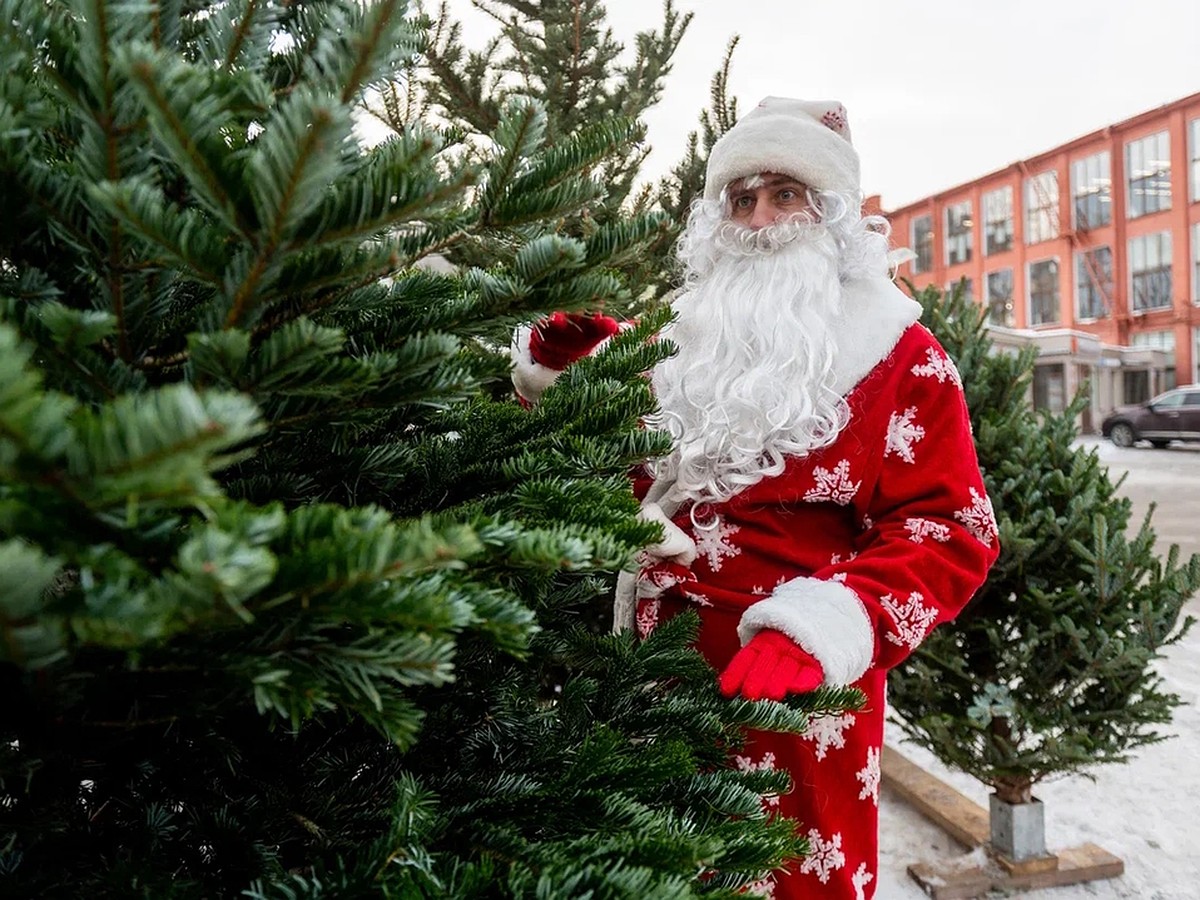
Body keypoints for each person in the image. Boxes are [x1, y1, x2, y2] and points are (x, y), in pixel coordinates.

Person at [511, 97, 999, 900]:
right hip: (650, 676)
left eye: (785, 195)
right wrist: (566, 371)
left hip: (793, 698)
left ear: (832, 216)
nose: (759, 218)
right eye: (742, 198)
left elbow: (953, 529)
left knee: (784, 878)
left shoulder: (903, 358)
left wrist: (825, 629)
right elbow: (606, 450)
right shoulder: (684, 334)